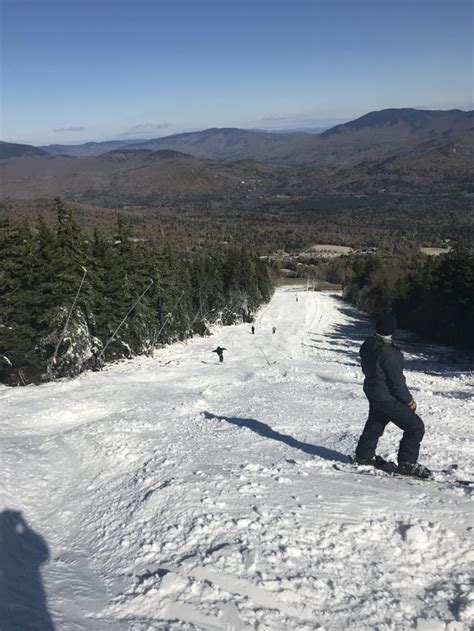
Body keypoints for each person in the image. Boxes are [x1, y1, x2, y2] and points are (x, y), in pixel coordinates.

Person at [355, 314, 431, 479]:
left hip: (373, 391)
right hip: (386, 396)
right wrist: (409, 401)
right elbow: (397, 383)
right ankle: (407, 462)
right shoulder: (390, 353)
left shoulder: (368, 345)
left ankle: (364, 455)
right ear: (392, 330)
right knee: (415, 426)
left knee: (376, 422)